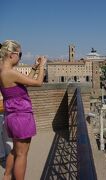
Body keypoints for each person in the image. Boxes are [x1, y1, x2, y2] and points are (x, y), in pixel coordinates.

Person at [0, 40, 46, 180]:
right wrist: (43, 66)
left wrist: (34, 68)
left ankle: (7, 176)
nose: (20, 57)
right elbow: (38, 83)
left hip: (12, 117)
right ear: (11, 55)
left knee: (15, 151)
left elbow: (25, 82)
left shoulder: (3, 71)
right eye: (20, 54)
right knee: (22, 155)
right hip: (21, 117)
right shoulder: (9, 72)